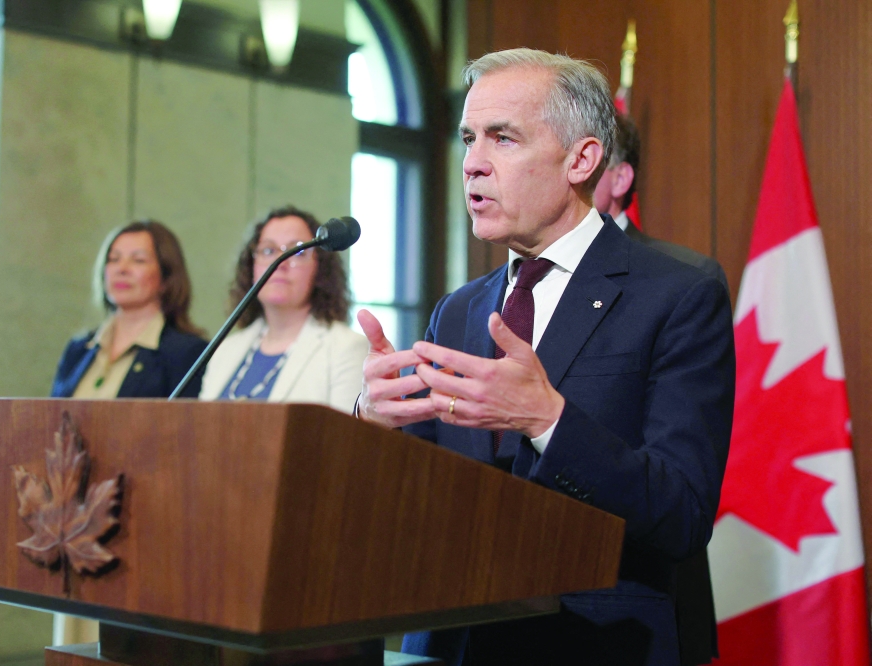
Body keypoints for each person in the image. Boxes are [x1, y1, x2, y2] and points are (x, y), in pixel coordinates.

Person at [356, 49, 735, 666]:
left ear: (582, 160)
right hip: (451, 638)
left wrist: (548, 420)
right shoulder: (458, 309)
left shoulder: (677, 292)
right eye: (468, 139)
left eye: (503, 139)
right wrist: (373, 425)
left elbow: (681, 515)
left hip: (593, 641)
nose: (473, 165)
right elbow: (421, 503)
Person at [595, 112, 727, 665]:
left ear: (619, 178)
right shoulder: (485, 295)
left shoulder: (684, 280)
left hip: (637, 599)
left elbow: (678, 482)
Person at [200, 206, 368, 413]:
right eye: (268, 250)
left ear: (320, 269)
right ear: (251, 267)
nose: (280, 263)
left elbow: (344, 441)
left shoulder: (347, 349)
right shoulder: (225, 350)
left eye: (298, 251)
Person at [51, 220, 208, 400]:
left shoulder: (187, 353)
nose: (122, 269)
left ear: (166, 276)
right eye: (113, 259)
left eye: (138, 260)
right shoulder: (78, 349)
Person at [594, 112, 729, 294]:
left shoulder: (690, 274)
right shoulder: (544, 266)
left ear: (620, 179)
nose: (571, 175)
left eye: (585, 161)